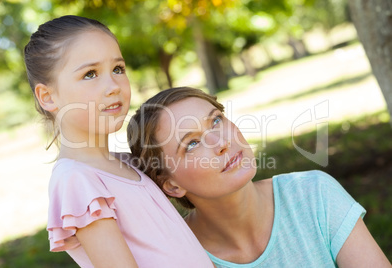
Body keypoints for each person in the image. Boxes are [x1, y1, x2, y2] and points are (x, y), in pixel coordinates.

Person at [127, 86, 391, 267]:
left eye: (216, 120)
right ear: (172, 185)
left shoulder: (313, 194)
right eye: (192, 144)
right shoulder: (178, 256)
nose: (222, 142)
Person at [24, 16, 214, 267]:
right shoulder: (77, 180)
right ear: (47, 96)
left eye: (118, 69)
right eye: (90, 74)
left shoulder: (127, 163)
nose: (113, 85)